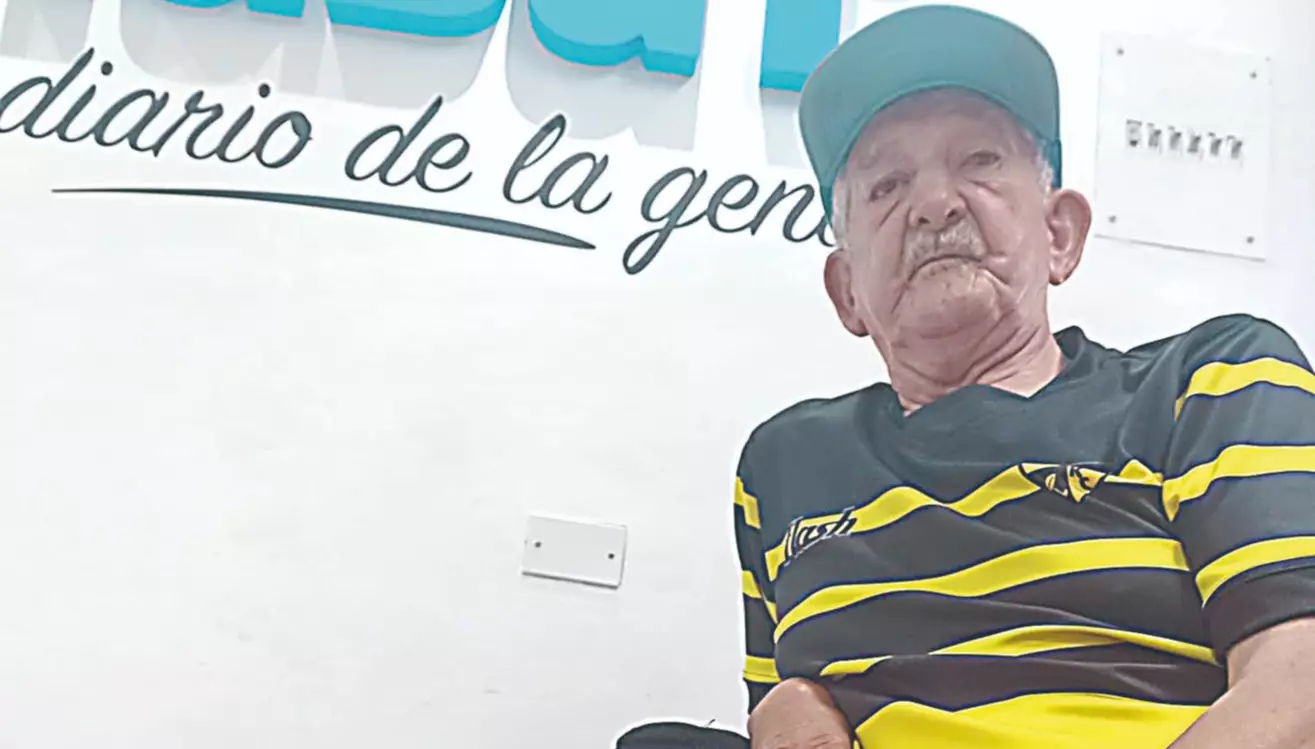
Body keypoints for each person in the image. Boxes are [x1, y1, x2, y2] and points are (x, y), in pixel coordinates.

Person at [732, 5, 1315, 749]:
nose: (933, 205)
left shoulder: (1215, 381)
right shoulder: (784, 465)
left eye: (979, 160)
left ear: (1060, 233)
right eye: (886, 184)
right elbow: (775, 700)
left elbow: (1296, 677)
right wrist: (786, 702)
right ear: (846, 291)